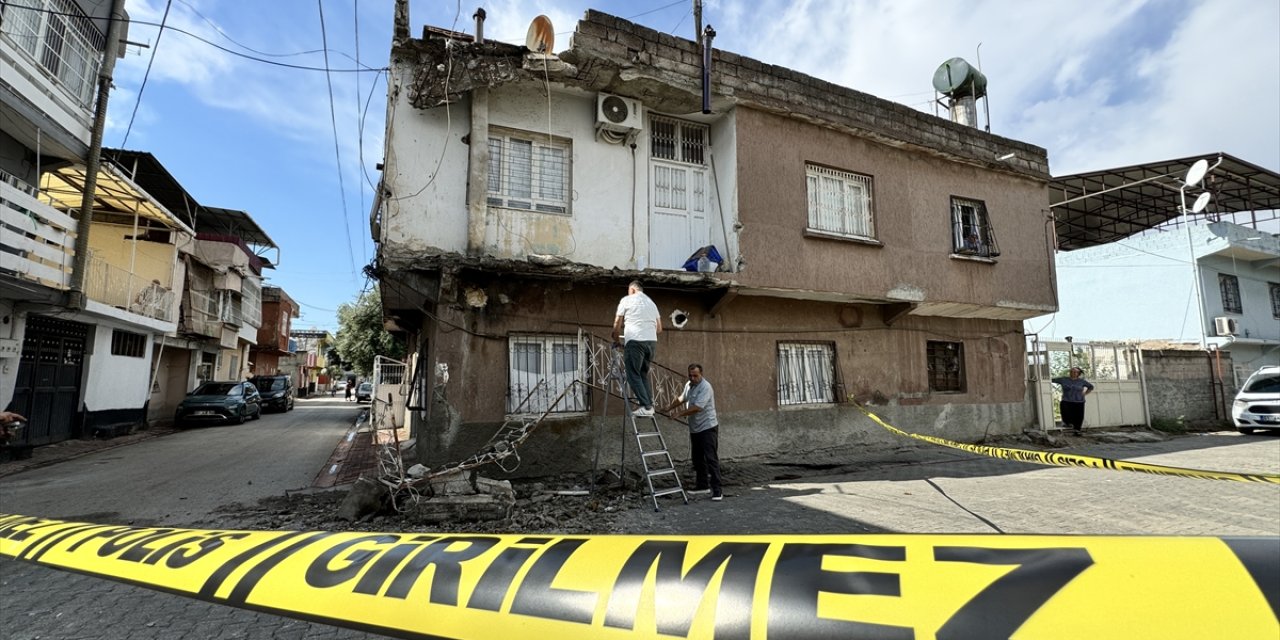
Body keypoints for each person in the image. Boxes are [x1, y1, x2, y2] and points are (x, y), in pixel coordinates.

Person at [664, 364, 722, 501]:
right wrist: (669, 407)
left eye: (695, 375)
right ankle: (702, 486)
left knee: (711, 459)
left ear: (701, 374)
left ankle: (718, 490)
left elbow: (698, 407)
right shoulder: (689, 385)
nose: (692, 378)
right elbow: (682, 398)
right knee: (697, 459)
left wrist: (679, 413)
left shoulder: (706, 387)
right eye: (690, 375)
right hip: (695, 428)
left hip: (708, 427)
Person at [612, 280, 662, 416]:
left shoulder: (627, 300)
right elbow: (659, 328)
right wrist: (646, 333)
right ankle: (649, 405)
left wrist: (616, 339)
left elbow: (617, 323)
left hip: (635, 341)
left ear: (632, 290)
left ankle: (646, 407)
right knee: (642, 374)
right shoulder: (651, 303)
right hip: (651, 343)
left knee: (633, 375)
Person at [1052, 367, 1094, 433]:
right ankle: (1068, 424)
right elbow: (1051, 380)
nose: (1073, 373)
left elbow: (1091, 387)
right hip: (1066, 400)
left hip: (1079, 401)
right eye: (1071, 371)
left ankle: (1077, 430)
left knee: (1079, 416)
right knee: (1065, 412)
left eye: (1075, 372)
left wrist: (1085, 393)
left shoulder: (1081, 381)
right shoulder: (1064, 379)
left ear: (1078, 373)